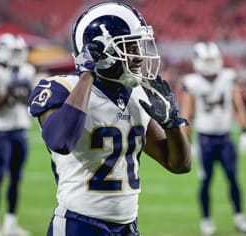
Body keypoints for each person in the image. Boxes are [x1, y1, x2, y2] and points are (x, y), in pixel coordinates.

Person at [27, 2, 191, 236]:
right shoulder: (63, 88)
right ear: (102, 51)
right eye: (129, 46)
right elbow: (60, 141)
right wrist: (86, 75)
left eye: (138, 45)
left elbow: (180, 165)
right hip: (78, 224)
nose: (138, 55)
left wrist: (172, 124)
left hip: (127, 227)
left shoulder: (138, 94)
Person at [180, 42, 246, 235]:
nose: (211, 63)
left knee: (233, 178)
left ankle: (240, 218)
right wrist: (187, 143)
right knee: (206, 181)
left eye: (213, 59)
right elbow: (187, 114)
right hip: (205, 139)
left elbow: (238, 106)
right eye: (207, 60)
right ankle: (206, 220)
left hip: (225, 138)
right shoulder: (192, 82)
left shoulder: (228, 78)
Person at [0, 33, 36, 236]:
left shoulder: (27, 70)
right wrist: (9, 93)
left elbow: (31, 101)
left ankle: (10, 224)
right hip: (1, 131)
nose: (17, 55)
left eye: (19, 51)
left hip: (21, 129)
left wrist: (22, 94)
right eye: (14, 51)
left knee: (16, 179)